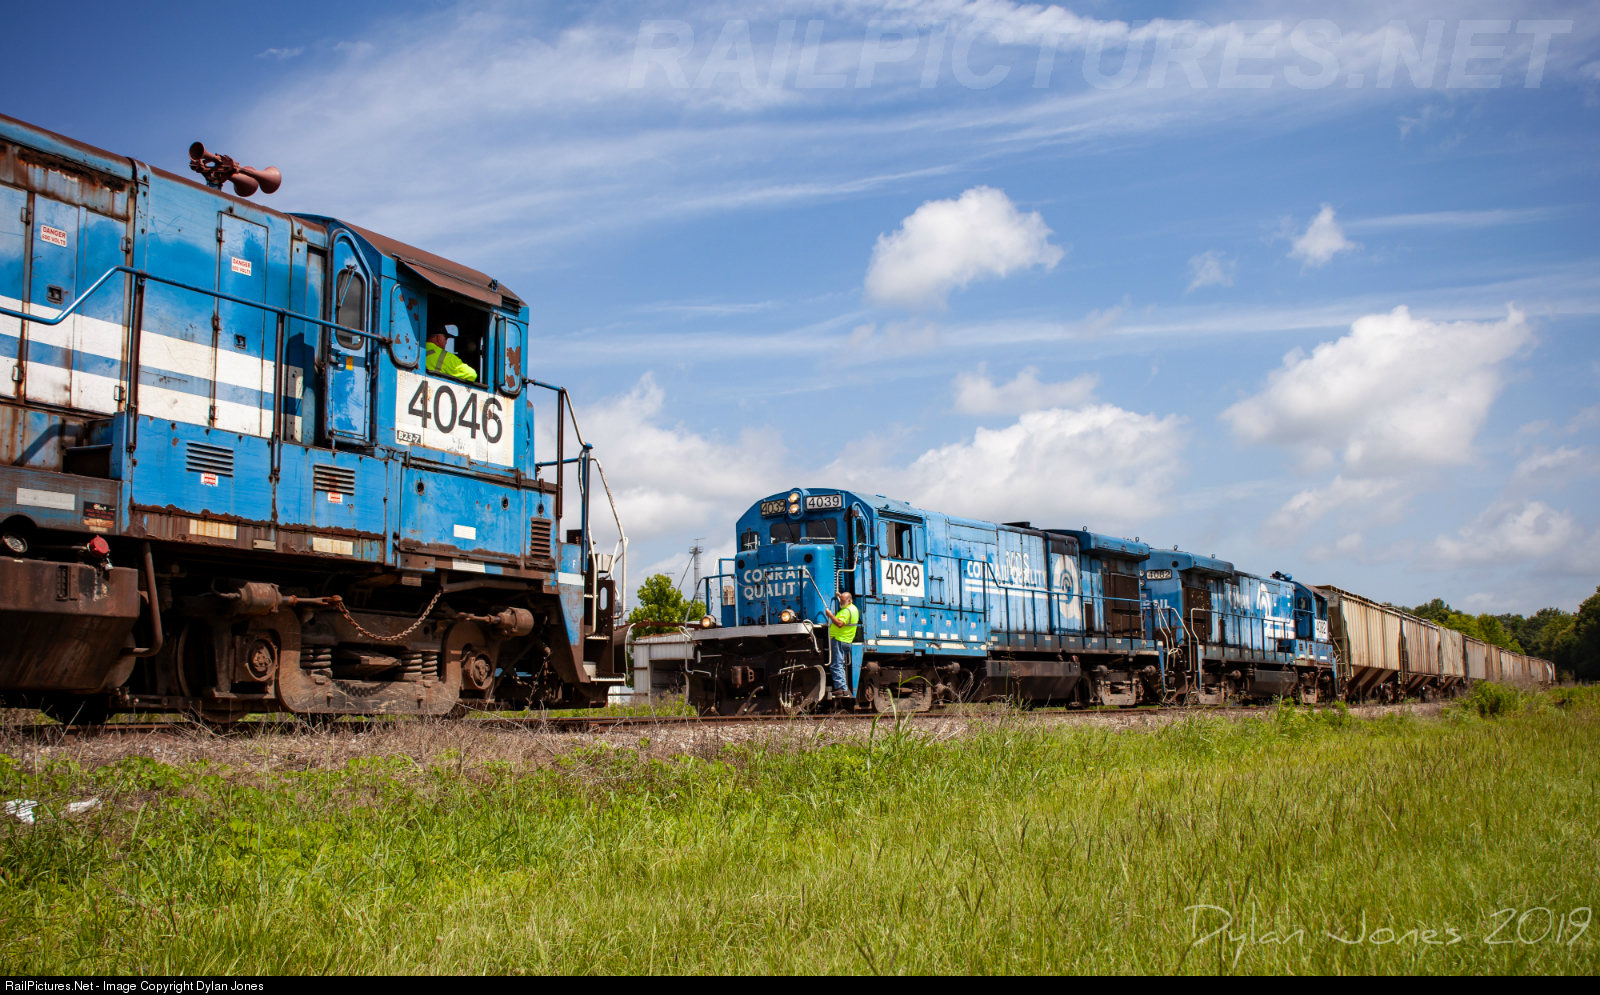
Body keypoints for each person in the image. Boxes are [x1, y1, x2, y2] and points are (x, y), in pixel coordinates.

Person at [822, 591, 860, 699]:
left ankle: (840, 689)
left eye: (842, 601)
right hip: (846, 640)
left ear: (849, 601)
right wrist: (839, 595)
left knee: (836, 665)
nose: (840, 602)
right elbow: (844, 601)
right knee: (840, 664)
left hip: (839, 639)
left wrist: (830, 615)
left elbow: (839, 623)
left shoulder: (846, 611)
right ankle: (844, 689)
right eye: (840, 600)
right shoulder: (853, 608)